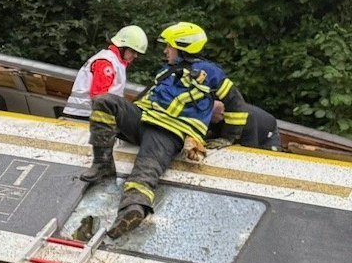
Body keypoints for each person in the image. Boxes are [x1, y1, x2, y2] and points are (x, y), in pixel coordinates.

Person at [83, 22, 246, 238]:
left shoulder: (211, 73)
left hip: (169, 131)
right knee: (104, 102)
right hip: (144, 119)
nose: (165, 50)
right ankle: (102, 164)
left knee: (145, 171)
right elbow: (144, 98)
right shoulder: (167, 71)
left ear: (182, 47)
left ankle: (133, 210)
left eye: (169, 46)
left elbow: (235, 102)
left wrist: (229, 137)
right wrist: (127, 114)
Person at [63, 25, 148, 120]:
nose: (135, 56)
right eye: (132, 51)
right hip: (83, 115)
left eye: (137, 53)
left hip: (86, 114)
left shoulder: (114, 62)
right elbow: (99, 96)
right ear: (122, 47)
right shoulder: (107, 63)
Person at [214, 102, 281, 151]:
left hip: (268, 133)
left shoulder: (247, 119)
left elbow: (250, 149)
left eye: (211, 115)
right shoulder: (217, 116)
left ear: (221, 114)